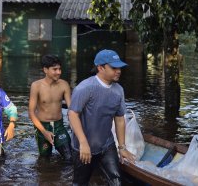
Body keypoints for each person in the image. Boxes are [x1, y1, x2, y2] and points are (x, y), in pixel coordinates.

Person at [68, 49, 136, 186]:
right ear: (100, 68)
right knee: (80, 183)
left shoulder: (118, 90)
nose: (119, 71)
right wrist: (83, 143)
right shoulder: (85, 88)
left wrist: (122, 147)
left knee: (116, 182)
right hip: (83, 145)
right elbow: (72, 114)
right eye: (114, 67)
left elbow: (119, 119)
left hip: (106, 144)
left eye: (120, 67)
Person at [29, 55, 72, 161]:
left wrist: (75, 125)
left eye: (60, 69)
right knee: (44, 159)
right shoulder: (36, 86)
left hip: (59, 126)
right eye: (55, 69)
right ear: (45, 70)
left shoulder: (64, 84)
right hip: (42, 127)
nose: (59, 72)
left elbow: (71, 109)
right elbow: (31, 112)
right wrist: (44, 132)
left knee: (69, 157)